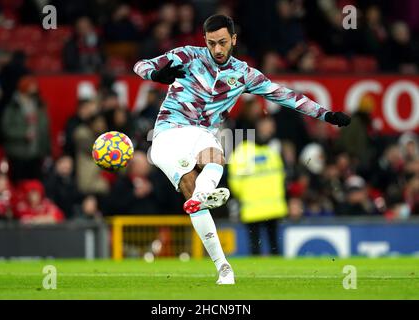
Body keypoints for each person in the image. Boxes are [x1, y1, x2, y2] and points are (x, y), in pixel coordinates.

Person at [133, 14, 351, 285]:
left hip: (201, 134)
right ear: (205, 41)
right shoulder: (187, 56)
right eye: (212, 43)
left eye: (223, 42)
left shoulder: (244, 74)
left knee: (207, 168)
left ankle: (223, 267)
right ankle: (205, 195)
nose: (218, 49)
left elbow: (285, 95)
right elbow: (140, 65)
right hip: (167, 133)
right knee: (204, 170)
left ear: (234, 40)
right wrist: (157, 74)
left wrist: (326, 115)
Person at [228, 116, 288, 255]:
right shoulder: (269, 151)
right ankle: (276, 274)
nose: (271, 129)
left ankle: (255, 275)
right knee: (273, 246)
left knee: (256, 247)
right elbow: (280, 176)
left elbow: (235, 181)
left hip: (255, 208)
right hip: (269, 206)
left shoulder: (244, 152)